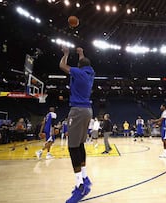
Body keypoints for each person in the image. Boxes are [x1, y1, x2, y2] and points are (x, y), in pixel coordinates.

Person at [60, 46, 94, 202]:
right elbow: (83, 63)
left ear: (80, 67)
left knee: (73, 147)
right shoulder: (90, 72)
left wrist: (66, 54)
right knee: (80, 144)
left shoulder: (78, 72)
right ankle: (85, 177)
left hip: (78, 111)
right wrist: (81, 53)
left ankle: (80, 186)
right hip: (88, 110)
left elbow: (62, 66)